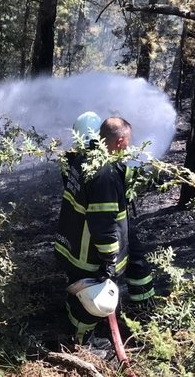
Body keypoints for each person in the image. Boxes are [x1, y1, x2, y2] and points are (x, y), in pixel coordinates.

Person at [54, 115, 155, 344]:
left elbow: (120, 175)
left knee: (82, 292)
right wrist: (109, 259)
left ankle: (141, 313)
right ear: (119, 142)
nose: (129, 147)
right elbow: (103, 222)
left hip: (73, 242)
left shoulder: (81, 160)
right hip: (88, 251)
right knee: (91, 300)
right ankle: (81, 341)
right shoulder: (104, 175)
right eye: (127, 142)